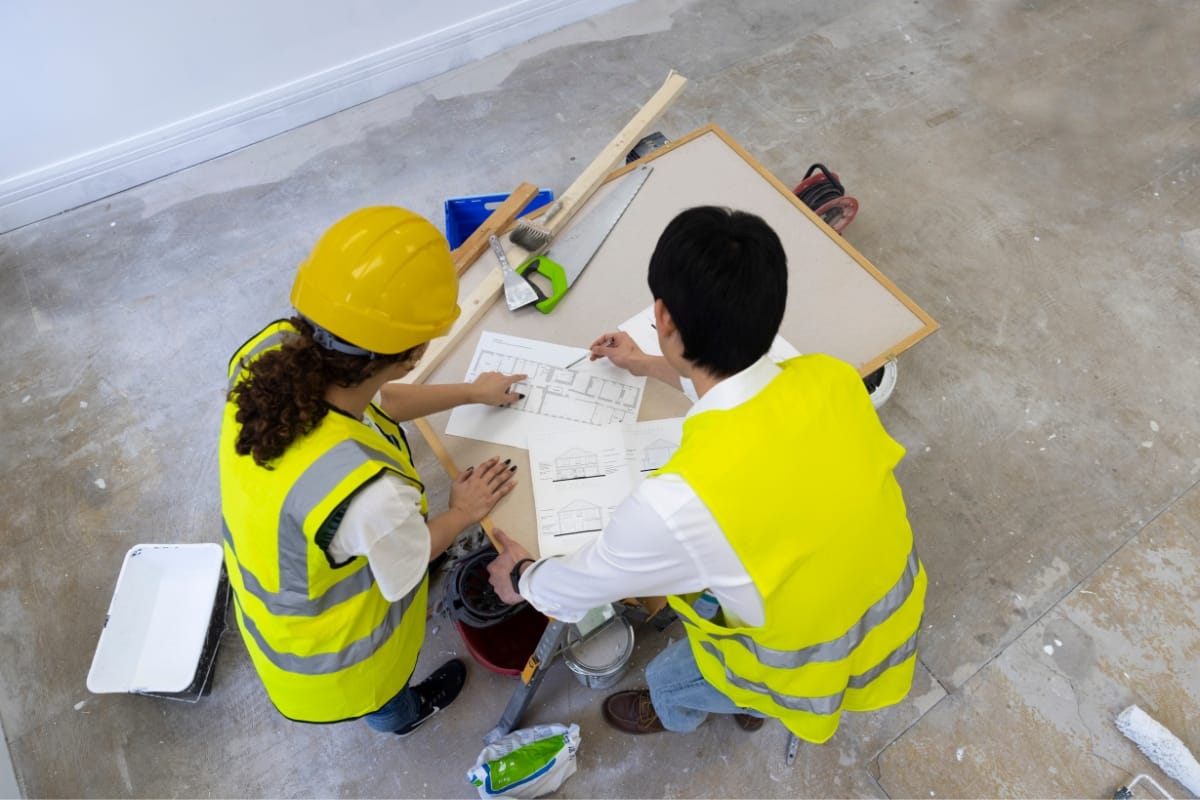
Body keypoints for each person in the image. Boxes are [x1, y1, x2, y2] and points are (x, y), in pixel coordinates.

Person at [487, 205, 926, 744]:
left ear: (663, 317)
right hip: (890, 601)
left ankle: (684, 707)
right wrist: (651, 363)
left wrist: (521, 577)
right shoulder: (831, 376)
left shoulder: (678, 502)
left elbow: (576, 588)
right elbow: (743, 386)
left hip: (805, 662)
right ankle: (750, 703)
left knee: (672, 675)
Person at [220, 206, 526, 737]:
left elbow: (378, 402)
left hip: (275, 589)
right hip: (335, 661)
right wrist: (462, 512)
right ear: (412, 354)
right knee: (384, 703)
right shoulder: (367, 496)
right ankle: (402, 719)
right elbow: (409, 562)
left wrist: (473, 391)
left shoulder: (270, 355)